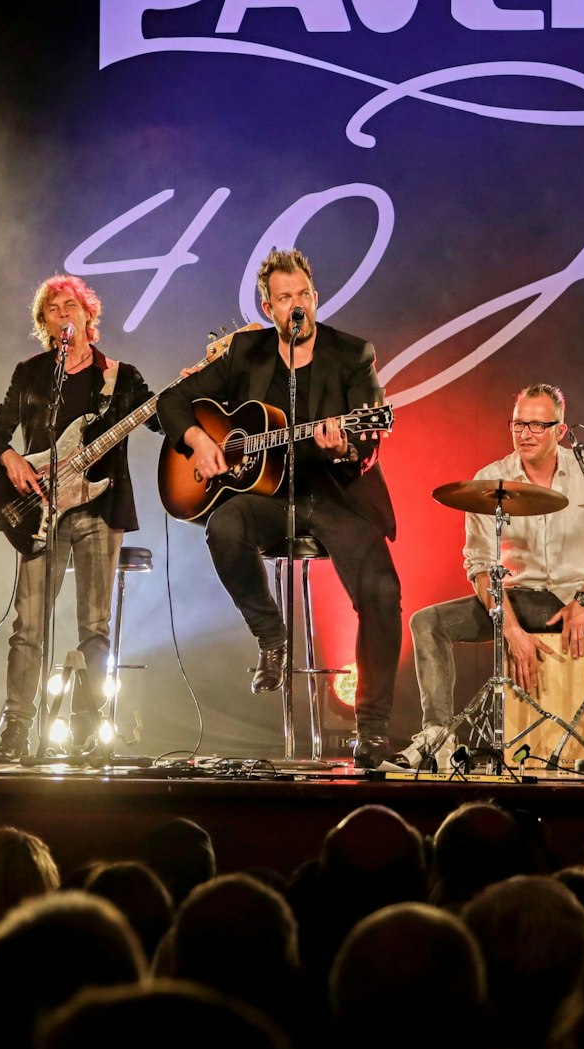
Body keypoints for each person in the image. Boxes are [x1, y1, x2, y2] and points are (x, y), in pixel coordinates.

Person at [155, 248, 402, 768]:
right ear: (269, 307)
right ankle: (272, 637)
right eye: (285, 298)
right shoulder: (247, 353)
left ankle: (374, 727)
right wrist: (200, 441)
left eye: (304, 295)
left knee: (381, 590)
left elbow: (371, 433)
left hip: (336, 496)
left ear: (316, 298)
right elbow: (171, 401)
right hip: (269, 499)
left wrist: (347, 446)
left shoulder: (353, 354)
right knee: (224, 525)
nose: (297, 306)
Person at [404, 384, 584, 768]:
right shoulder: (491, 478)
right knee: (426, 622)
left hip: (579, 598)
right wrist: (509, 628)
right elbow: (479, 566)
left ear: (560, 430)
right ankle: (437, 735)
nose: (524, 434)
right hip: (517, 599)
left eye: (536, 425)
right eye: (518, 424)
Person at [0, 275, 153, 757]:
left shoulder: (122, 377)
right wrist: (10, 458)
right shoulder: (32, 374)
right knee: (29, 625)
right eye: (53, 309)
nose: (63, 315)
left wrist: (192, 401)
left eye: (70, 306)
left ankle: (90, 726)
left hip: (100, 509)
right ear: (45, 323)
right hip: (41, 512)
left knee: (94, 626)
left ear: (88, 316)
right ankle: (16, 726)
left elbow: (162, 420)